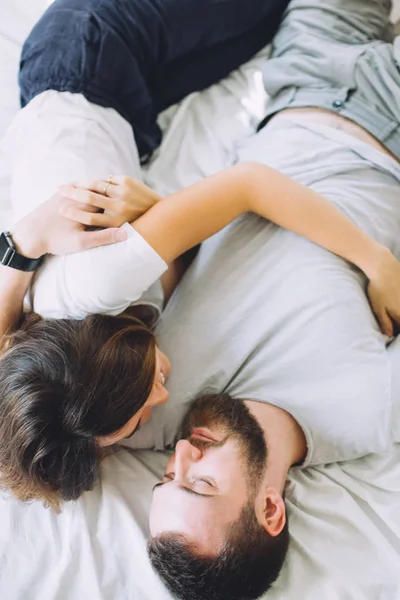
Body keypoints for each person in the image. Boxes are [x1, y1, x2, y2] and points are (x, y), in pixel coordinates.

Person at [0, 0, 399, 510]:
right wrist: (154, 211)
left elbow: (249, 184)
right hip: (130, 113)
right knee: (258, 29)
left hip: (90, 54)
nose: (164, 400)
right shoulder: (57, 360)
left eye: (142, 411)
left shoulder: (97, 281)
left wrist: (377, 262)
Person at [144, 1, 400, 598]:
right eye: (200, 484)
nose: (182, 454)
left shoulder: (147, 395)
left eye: (166, 476)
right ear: (270, 510)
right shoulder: (370, 416)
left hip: (300, 86)